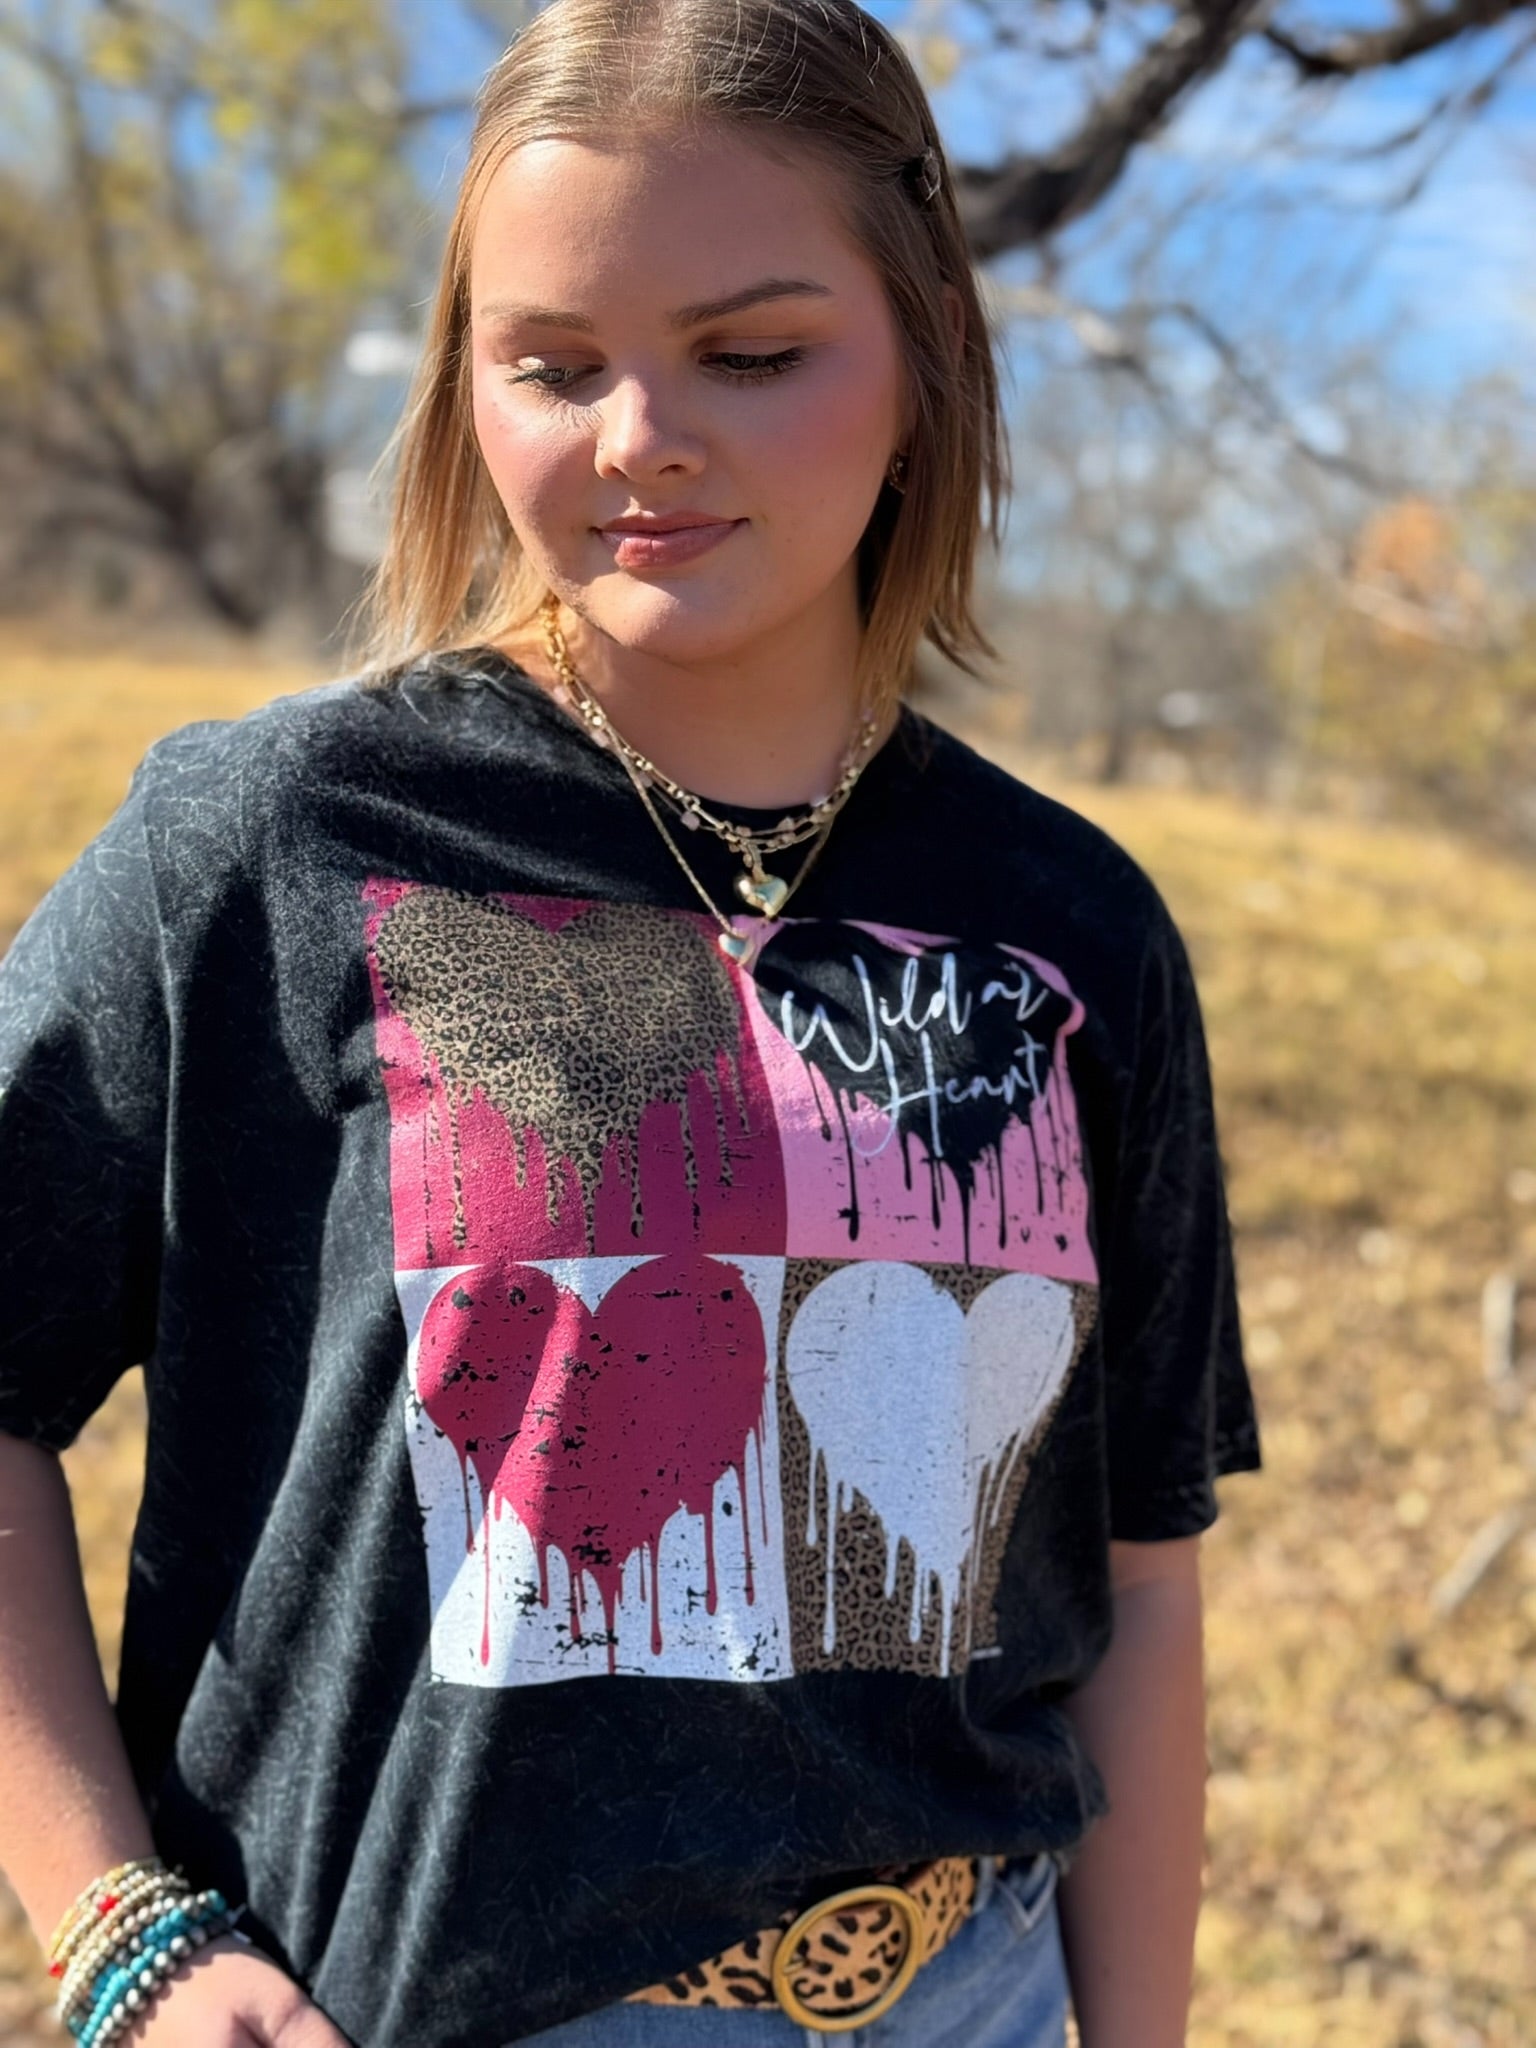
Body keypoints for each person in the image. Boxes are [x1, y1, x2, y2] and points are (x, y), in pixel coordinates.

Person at [0, 2, 1263, 2044]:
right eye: (552, 363)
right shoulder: (275, 838)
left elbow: (1137, 1581)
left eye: (750, 354)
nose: (639, 437)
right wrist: (117, 1923)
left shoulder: (1070, 926)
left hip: (981, 1987)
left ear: (928, 346)